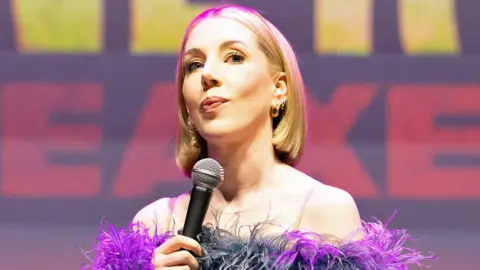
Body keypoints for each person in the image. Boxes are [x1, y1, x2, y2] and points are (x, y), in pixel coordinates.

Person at [87, 4, 434, 270]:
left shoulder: (323, 211)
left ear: (279, 89)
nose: (208, 74)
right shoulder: (155, 223)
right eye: (194, 65)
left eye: (233, 57)